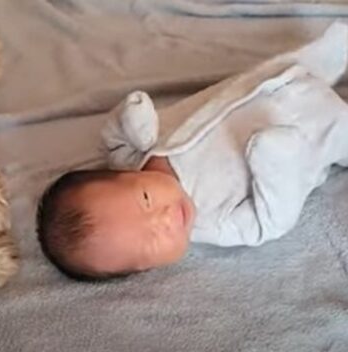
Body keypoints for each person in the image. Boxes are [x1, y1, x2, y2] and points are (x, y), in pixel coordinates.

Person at [36, 22, 348, 281]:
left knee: (328, 49)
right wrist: (275, 162)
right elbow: (271, 221)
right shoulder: (216, 223)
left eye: (145, 200)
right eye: (151, 239)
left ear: (127, 175)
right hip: (319, 132)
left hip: (277, 82)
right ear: (146, 267)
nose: (165, 217)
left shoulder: (137, 156)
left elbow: (114, 140)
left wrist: (131, 120)